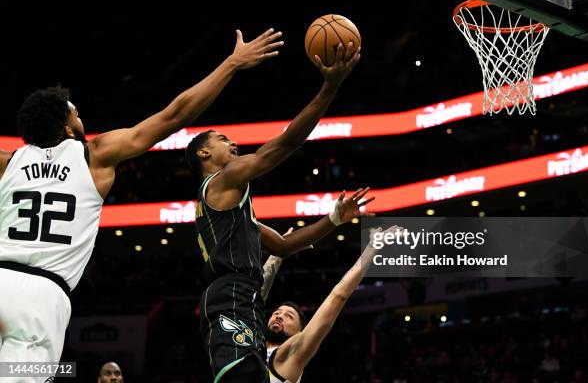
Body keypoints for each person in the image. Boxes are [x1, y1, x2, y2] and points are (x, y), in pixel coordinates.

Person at [0, 27, 283, 368]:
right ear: (65, 126)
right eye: (75, 113)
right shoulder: (96, 154)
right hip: (41, 297)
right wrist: (232, 64)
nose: (81, 117)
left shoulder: (7, 161)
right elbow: (176, 114)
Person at [185, 43, 363, 382]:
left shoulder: (232, 212)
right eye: (224, 139)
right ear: (204, 152)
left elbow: (282, 246)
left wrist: (335, 219)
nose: (233, 144)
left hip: (243, 299)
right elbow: (285, 144)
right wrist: (330, 86)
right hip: (231, 297)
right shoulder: (222, 181)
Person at [263, 226, 400, 383]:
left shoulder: (289, 356)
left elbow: (338, 296)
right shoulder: (249, 345)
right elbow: (253, 297)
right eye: (277, 312)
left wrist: (372, 248)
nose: (280, 315)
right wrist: (280, 250)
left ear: (299, 333)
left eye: (289, 316)